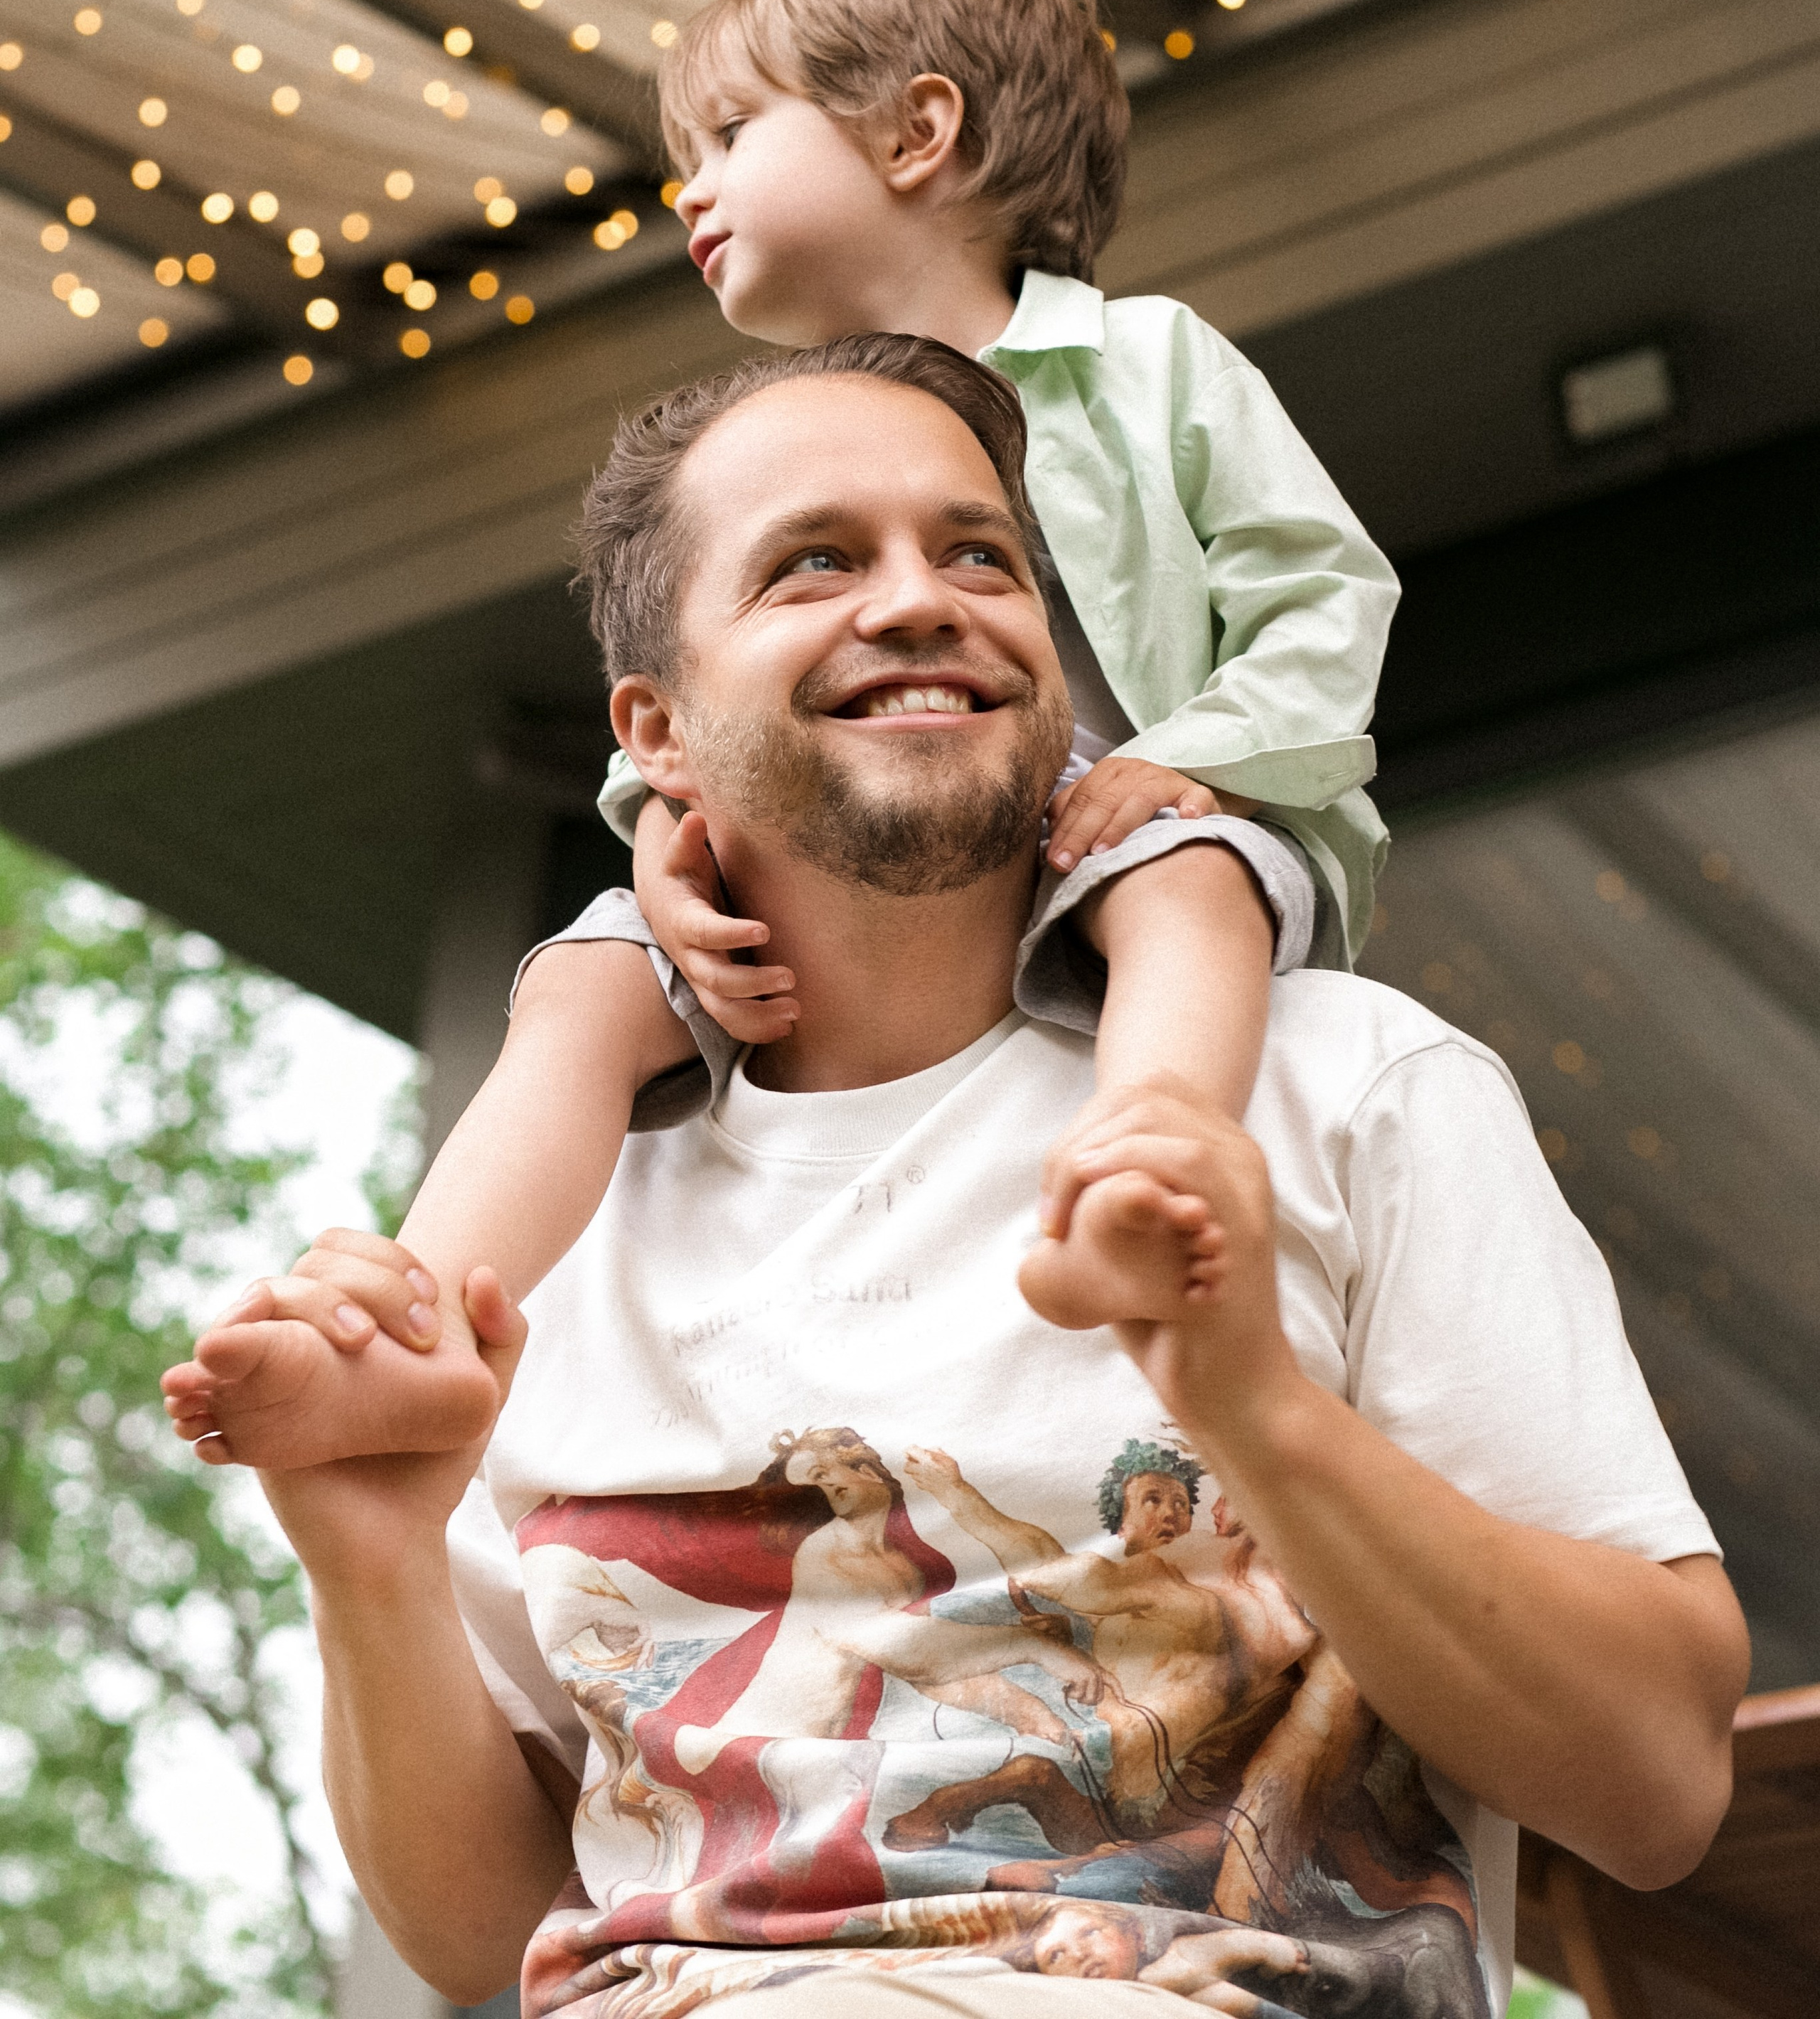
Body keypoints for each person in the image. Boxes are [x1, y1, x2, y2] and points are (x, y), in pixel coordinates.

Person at [166, 337, 1745, 2018]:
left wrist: (1253, 1408)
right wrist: (366, 1551)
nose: (922, 600)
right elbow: (487, 1935)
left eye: (976, 552)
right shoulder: (543, 1226)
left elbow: (1652, 1789)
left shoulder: (1343, 1083)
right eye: (815, 562)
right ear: (658, 735)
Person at [159, 0, 1399, 1476]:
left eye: (731, 134)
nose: (686, 186)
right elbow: (697, 698)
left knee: (1189, 886)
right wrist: (666, 844)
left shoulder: (1147, 364)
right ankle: (408, 1321)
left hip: (1131, 809)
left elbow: (1324, 598)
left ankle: (1144, 1176)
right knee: (580, 985)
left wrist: (1189, 766)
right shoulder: (752, 448)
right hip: (838, 857)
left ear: (916, 133)